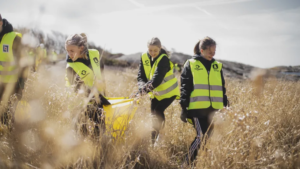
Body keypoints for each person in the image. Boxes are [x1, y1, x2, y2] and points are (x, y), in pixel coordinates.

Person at [180, 36, 228, 165]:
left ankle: (199, 164)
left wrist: (225, 104)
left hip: (214, 110)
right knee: (201, 136)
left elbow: (221, 87)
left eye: (214, 52)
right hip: (197, 109)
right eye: (209, 52)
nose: (212, 55)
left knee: (208, 138)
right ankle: (186, 164)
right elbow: (185, 86)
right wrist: (184, 108)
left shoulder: (217, 66)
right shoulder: (191, 64)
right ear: (202, 50)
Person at [137, 37, 180, 144]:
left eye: (155, 51)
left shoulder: (164, 59)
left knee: (158, 111)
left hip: (169, 92)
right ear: (147, 48)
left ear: (160, 49)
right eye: (150, 50)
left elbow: (156, 80)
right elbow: (141, 76)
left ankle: (161, 138)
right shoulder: (143, 57)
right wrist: (141, 88)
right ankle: (153, 143)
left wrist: (141, 92)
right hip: (155, 93)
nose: (152, 53)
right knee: (153, 117)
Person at [65, 33, 109, 137]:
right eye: (67, 51)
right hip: (79, 107)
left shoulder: (95, 54)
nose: (69, 54)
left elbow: (101, 75)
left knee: (100, 134)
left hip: (98, 102)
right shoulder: (70, 67)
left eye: (72, 51)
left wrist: (103, 94)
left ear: (81, 48)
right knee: (81, 137)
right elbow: (77, 90)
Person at [0, 14, 26, 125]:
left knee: (8, 119)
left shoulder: (14, 38)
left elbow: (23, 63)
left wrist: (20, 85)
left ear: (0, 22)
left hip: (11, 86)